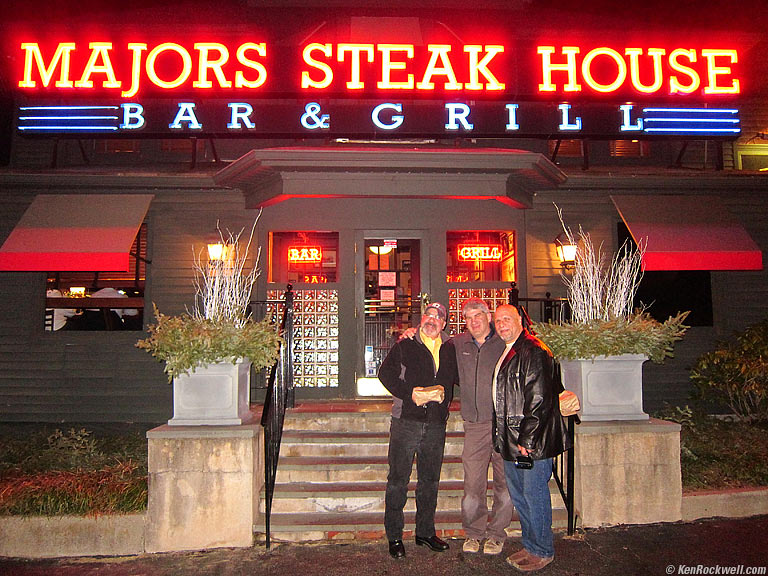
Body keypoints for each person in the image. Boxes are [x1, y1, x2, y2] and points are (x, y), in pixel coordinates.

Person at [492, 304, 571, 572]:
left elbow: (538, 400)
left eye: (507, 319)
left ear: (520, 321)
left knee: (534, 496)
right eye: (497, 321)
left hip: (530, 443)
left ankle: (542, 550)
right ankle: (531, 545)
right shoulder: (510, 350)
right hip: (513, 440)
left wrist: (527, 440)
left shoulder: (534, 350)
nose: (501, 324)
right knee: (521, 497)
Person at [434, 298, 514, 555]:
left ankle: (496, 534)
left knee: (505, 484)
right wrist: (412, 332)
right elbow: (431, 337)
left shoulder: (504, 342)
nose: (474, 321)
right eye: (468, 318)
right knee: (472, 486)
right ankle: (474, 533)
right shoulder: (458, 344)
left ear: (488, 317)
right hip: (475, 425)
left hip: (503, 424)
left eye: (478, 315)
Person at [378, 302, 453, 559]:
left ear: (444, 324)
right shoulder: (406, 344)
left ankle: (425, 532)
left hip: (435, 424)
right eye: (428, 315)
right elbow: (385, 374)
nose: (432, 320)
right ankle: (395, 536)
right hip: (406, 422)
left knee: (430, 481)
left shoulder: (451, 348)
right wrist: (409, 394)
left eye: (437, 317)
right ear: (422, 320)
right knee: (398, 480)